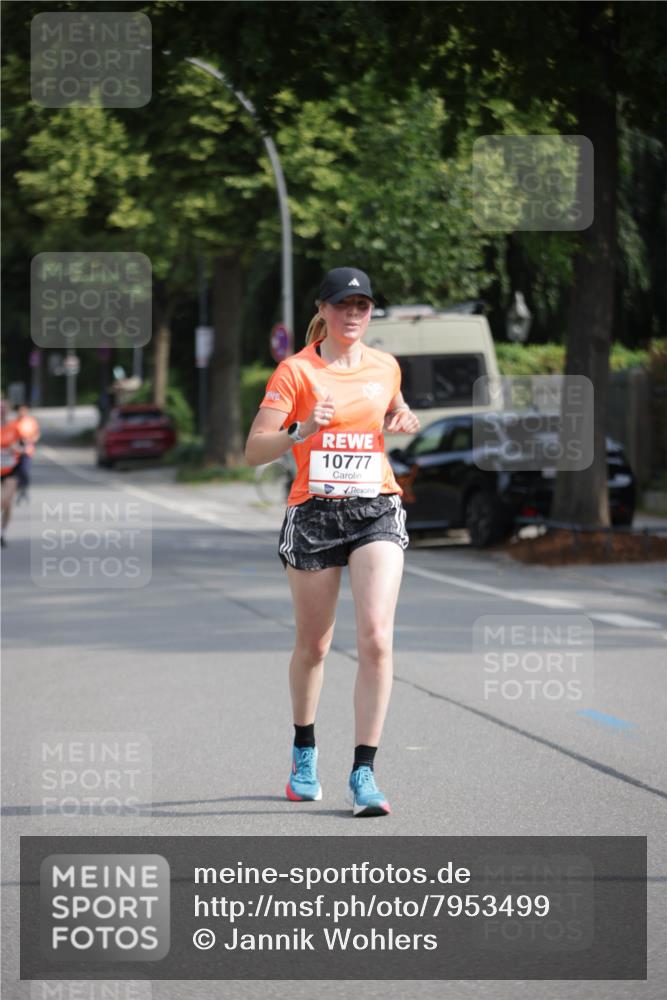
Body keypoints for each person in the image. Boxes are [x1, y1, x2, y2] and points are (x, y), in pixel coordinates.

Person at [245, 267, 420, 817]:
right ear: (322, 309)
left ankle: (365, 772)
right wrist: (301, 430)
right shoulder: (295, 372)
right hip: (314, 513)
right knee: (315, 646)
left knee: (376, 636)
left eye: (363, 305)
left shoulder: (385, 367)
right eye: (343, 304)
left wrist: (400, 414)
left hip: (375, 507)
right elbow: (254, 450)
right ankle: (304, 751)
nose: (353, 314)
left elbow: (384, 412)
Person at [1, 400, 24, 547]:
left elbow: (23, 447)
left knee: (6, 502)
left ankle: (2, 532)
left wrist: (15, 448)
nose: (1, 411)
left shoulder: (14, 427)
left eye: (3, 408)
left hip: (11, 468)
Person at [14, 403, 40, 503]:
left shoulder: (31, 422)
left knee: (25, 471)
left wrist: (31, 440)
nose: (22, 412)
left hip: (27, 451)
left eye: (24, 410)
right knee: (17, 473)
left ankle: (24, 489)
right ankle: (19, 489)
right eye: (20, 410)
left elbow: (36, 434)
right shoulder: (14, 423)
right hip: (15, 452)